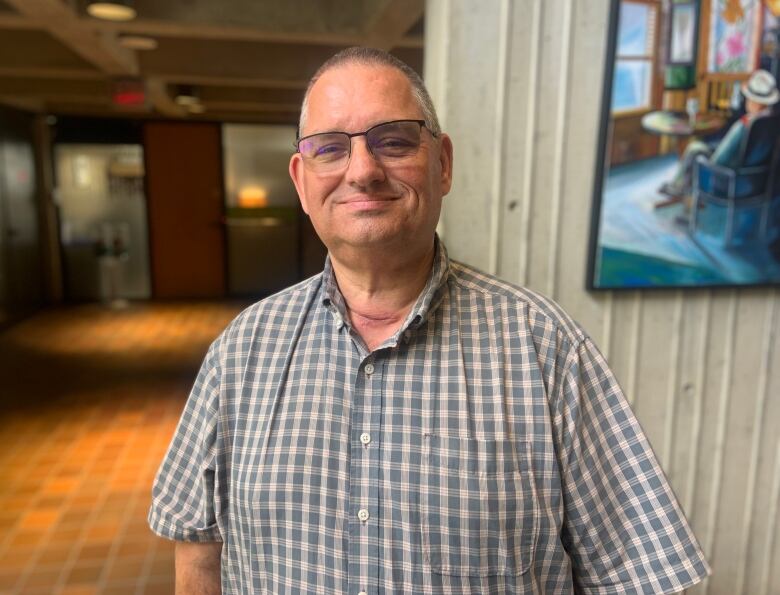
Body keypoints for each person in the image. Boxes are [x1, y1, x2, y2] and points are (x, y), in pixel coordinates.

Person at [149, 47, 711, 594]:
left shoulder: (545, 348)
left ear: (442, 164)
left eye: (392, 141)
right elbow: (198, 549)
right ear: (300, 179)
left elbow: (631, 576)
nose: (363, 171)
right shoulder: (243, 349)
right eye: (330, 149)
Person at [660, 69, 779, 198]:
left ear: (753, 101)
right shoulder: (773, 122)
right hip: (760, 180)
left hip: (730, 179)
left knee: (695, 148)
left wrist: (707, 154)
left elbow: (720, 159)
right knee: (704, 147)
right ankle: (681, 186)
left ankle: (679, 189)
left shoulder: (744, 125)